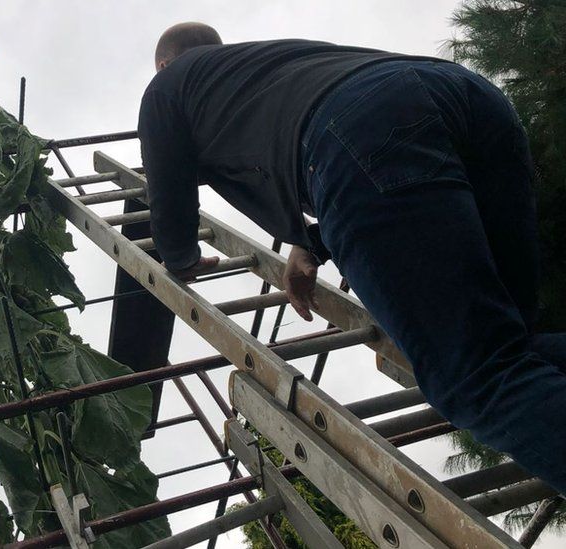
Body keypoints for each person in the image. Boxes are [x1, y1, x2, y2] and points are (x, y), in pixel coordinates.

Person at [138, 22, 566, 495]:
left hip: (359, 131)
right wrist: (312, 241)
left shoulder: (168, 85)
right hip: (464, 97)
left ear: (163, 63)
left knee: (479, 377)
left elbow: (168, 190)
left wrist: (179, 258)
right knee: (513, 352)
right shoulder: (269, 65)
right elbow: (369, 142)